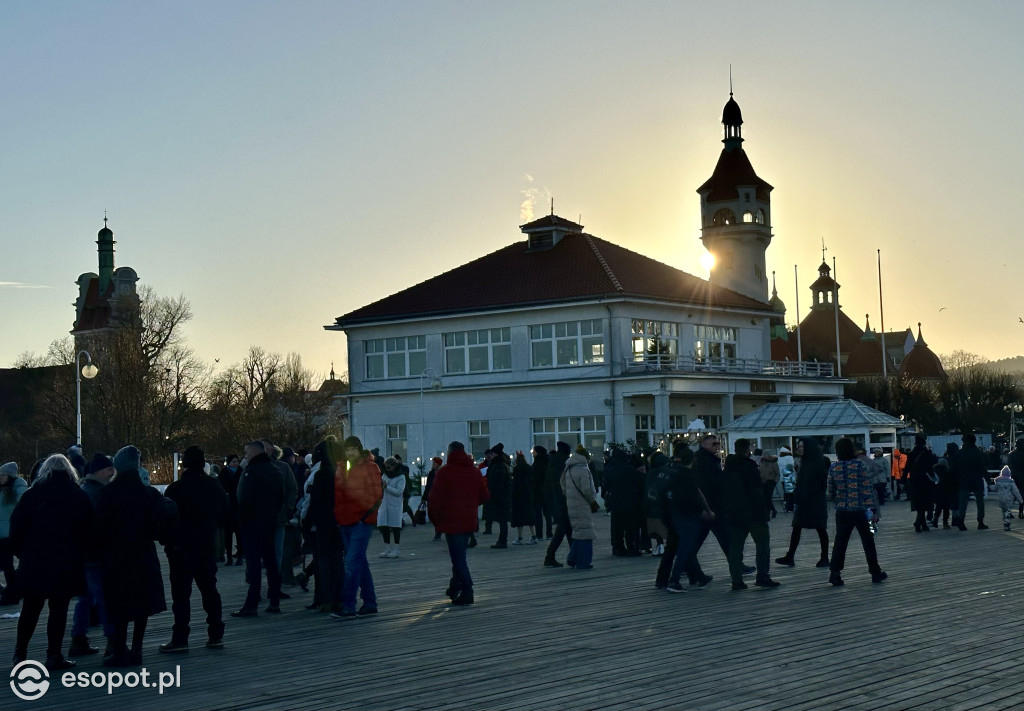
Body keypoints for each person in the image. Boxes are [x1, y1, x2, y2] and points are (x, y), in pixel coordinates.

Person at [96, 446, 178, 667]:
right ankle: (137, 649)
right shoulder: (148, 493)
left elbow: (99, 529)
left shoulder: (108, 494)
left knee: (119, 604)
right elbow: (161, 520)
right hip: (143, 554)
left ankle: (120, 649)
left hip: (116, 557)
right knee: (141, 605)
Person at [10, 454, 93, 669]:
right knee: (59, 609)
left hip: (34, 560)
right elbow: (88, 531)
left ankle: (20, 653)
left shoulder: (31, 496)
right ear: (69, 471)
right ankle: (54, 654)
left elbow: (16, 528)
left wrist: (23, 553)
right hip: (65, 562)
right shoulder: (78, 496)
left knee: (31, 608)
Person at [159, 446, 228, 653]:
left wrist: (168, 542)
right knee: (210, 590)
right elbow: (223, 513)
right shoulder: (214, 486)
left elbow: (166, 519)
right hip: (206, 545)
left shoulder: (176, 489)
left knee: (181, 595)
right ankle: (215, 634)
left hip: (181, 548)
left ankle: (180, 637)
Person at [428, 442, 491, 605]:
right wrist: (470, 505)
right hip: (469, 520)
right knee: (460, 556)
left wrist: (436, 520)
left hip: (451, 521)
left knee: (458, 558)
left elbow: (434, 499)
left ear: (449, 453)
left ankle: (467, 591)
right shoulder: (474, 471)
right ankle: (455, 586)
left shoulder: (444, 473)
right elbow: (484, 496)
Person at [68, 454, 116, 657]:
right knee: (104, 597)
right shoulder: (96, 493)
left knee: (87, 597)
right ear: (98, 471)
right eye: (108, 469)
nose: (112, 472)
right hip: (96, 554)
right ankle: (112, 639)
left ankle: (78, 637)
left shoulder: (86, 491)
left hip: (86, 554)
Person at [332, 436, 383, 619]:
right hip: (345, 520)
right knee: (359, 562)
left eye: (352, 449)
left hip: (361, 521)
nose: (349, 453)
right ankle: (370, 602)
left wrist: (365, 516)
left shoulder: (370, 467)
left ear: (359, 449)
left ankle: (348, 605)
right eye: (347, 449)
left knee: (352, 564)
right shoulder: (342, 467)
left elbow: (377, 494)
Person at [233, 440, 286, 617]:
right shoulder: (275, 470)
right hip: (269, 521)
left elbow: (245, 498)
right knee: (271, 561)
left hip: (252, 523)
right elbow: (281, 497)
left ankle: (252, 603)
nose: (245, 456)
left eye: (246, 453)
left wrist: (242, 520)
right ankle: (274, 600)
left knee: (254, 564)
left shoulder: (252, 472)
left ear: (254, 453)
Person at [827, 437, 885, 586]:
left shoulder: (835, 467)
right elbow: (867, 488)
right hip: (861, 509)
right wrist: (873, 510)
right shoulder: (860, 465)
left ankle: (835, 573)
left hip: (842, 510)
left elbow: (831, 491)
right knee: (868, 540)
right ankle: (875, 571)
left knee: (840, 541)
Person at [723, 439, 779, 590]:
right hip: (754, 512)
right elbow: (756, 488)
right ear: (747, 449)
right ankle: (762, 576)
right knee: (762, 544)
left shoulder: (728, 467)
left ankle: (737, 580)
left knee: (735, 547)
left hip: (736, 513)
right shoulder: (750, 466)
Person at [661, 445, 716, 593]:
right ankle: (674, 580)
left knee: (687, 547)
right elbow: (696, 495)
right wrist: (706, 510)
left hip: (676, 514)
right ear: (693, 459)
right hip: (689, 516)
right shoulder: (690, 475)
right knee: (686, 548)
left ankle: (699, 576)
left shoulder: (676, 474)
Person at [775, 438, 829, 568]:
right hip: (804, 500)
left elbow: (822, 482)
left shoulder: (819, 461)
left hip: (815, 500)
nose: (799, 448)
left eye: (802, 446)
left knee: (820, 529)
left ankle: (825, 557)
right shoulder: (805, 461)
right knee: (797, 527)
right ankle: (790, 556)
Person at [561, 445, 599, 569]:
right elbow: (587, 489)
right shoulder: (583, 469)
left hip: (571, 504)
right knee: (586, 533)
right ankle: (584, 562)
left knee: (577, 532)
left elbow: (562, 484)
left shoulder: (568, 468)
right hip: (582, 505)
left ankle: (572, 558)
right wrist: (593, 501)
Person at [604, 445, 642, 556]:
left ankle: (617, 547)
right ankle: (631, 547)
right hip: (629, 501)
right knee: (630, 526)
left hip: (615, 502)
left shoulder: (609, 469)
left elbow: (606, 485)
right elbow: (638, 484)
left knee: (616, 526)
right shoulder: (629, 469)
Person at [0, 461, 27, 607]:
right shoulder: (2, 490)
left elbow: (22, 500)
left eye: (5, 475)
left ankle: (12, 593)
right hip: (2, 532)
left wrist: (19, 485)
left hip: (8, 534)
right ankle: (12, 590)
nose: (2, 477)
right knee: (7, 566)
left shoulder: (16, 488)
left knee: (8, 566)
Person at [542, 442, 572, 567]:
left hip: (553, 501)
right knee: (564, 529)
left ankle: (573, 555)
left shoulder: (552, 463)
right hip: (563, 501)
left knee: (566, 529)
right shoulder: (565, 464)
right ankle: (550, 556)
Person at [954, 433, 989, 531]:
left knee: (963, 503)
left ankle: (961, 521)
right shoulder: (978, 453)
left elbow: (955, 468)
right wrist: (987, 480)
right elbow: (983, 467)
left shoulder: (959, 453)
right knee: (980, 502)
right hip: (977, 480)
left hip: (963, 480)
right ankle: (980, 521)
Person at [906, 434, 938, 533]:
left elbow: (907, 467)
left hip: (914, 480)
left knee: (919, 502)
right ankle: (920, 523)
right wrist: (933, 477)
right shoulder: (926, 453)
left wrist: (903, 480)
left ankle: (921, 523)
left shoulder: (912, 454)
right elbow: (930, 467)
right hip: (925, 480)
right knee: (926, 502)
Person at [483, 444, 512, 548]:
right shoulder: (502, 464)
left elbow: (498, 482)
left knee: (502, 519)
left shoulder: (498, 465)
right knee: (502, 519)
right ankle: (502, 539)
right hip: (502, 496)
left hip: (500, 497)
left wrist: (496, 495)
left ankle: (502, 540)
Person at [377, 457, 407, 558]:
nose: (388, 469)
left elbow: (399, 492)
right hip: (384, 504)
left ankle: (396, 549)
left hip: (395, 505)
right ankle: (387, 548)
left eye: (389, 467)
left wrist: (386, 487)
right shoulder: (385, 475)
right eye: (386, 467)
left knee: (395, 527)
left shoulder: (401, 477)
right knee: (384, 526)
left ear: (395, 466)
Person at [218, 454, 244, 566]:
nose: (235, 464)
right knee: (227, 534)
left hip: (238, 506)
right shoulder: (224, 473)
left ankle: (240, 555)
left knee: (239, 533)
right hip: (228, 507)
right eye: (233, 461)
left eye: (237, 461)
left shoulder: (241, 472)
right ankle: (228, 556)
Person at [510, 451, 537, 544]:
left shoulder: (516, 470)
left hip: (518, 497)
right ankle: (534, 536)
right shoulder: (529, 469)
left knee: (519, 518)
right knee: (530, 516)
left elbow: (514, 485)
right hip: (529, 495)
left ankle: (520, 537)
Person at [933, 443, 958, 529]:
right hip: (948, 490)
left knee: (939, 506)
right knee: (946, 508)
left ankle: (935, 518)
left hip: (938, 490)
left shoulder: (936, 470)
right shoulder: (948, 471)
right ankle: (945, 522)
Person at [531, 446, 552, 539]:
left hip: (538, 492)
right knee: (548, 515)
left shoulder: (537, 463)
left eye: (534, 451)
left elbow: (534, 478)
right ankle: (549, 533)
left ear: (538, 452)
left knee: (538, 514)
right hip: (547, 491)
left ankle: (539, 534)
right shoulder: (548, 461)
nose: (532, 453)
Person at [994, 466, 1023, 531]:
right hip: (1009, 499)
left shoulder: (998, 481)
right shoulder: (1011, 482)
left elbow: (994, 488)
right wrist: (1020, 500)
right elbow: (1016, 491)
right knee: (1008, 510)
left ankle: (1005, 521)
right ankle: (1007, 522)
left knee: (1003, 511)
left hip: (1001, 499)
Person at [423, 456, 443, 541]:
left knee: (438, 515)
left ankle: (438, 532)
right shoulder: (431, 473)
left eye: (434, 463)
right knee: (432, 515)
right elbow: (428, 486)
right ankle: (438, 530)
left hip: (439, 497)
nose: (433, 464)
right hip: (431, 496)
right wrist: (424, 497)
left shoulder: (442, 473)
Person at [758, 450, 780, 519]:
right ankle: (772, 510)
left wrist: (775, 481)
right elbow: (760, 471)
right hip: (763, 481)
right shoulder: (761, 462)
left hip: (771, 481)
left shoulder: (773, 463)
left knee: (768, 497)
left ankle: (768, 512)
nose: (764, 456)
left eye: (766, 455)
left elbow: (777, 473)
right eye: (764, 455)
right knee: (764, 497)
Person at [1007, 438, 1024, 519]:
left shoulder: (1011, 454)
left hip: (1014, 476)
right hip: (1022, 477)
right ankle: (1021, 512)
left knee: (1012, 495)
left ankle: (1009, 512)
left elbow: (1009, 465)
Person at [778, 447, 796, 513]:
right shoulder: (789, 458)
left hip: (782, 478)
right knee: (791, 494)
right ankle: (790, 507)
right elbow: (791, 466)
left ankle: (787, 507)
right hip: (789, 478)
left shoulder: (779, 459)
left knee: (786, 493)